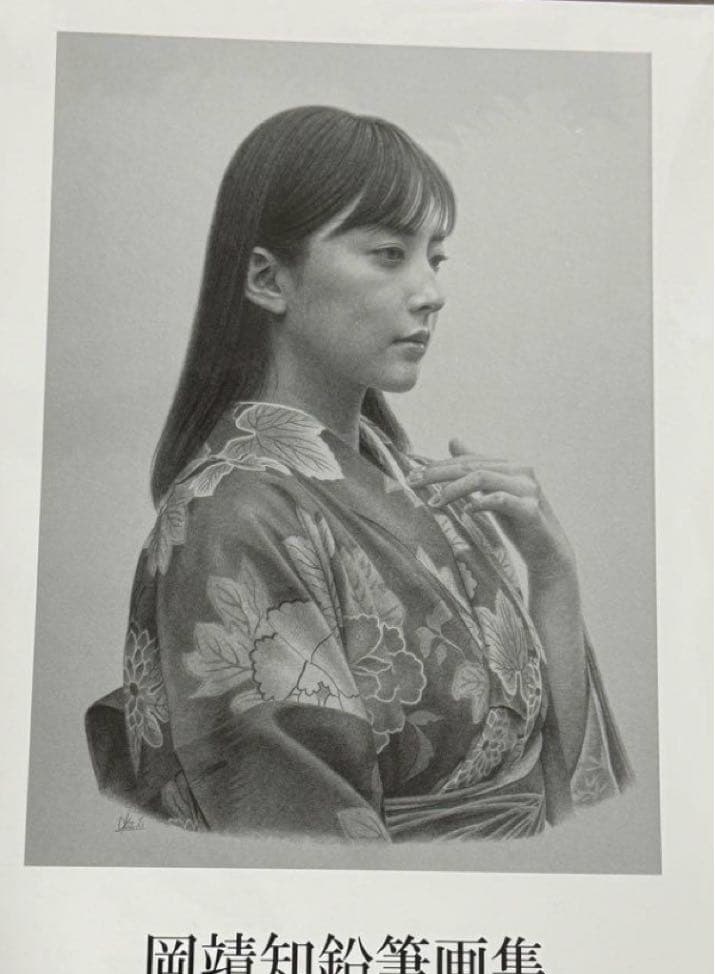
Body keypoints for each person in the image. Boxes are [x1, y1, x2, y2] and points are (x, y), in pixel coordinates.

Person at [86, 105, 632, 841]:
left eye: (434, 258)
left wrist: (553, 573)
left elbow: (560, 789)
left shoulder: (422, 484)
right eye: (388, 254)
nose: (430, 291)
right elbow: (301, 849)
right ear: (267, 279)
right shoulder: (233, 519)